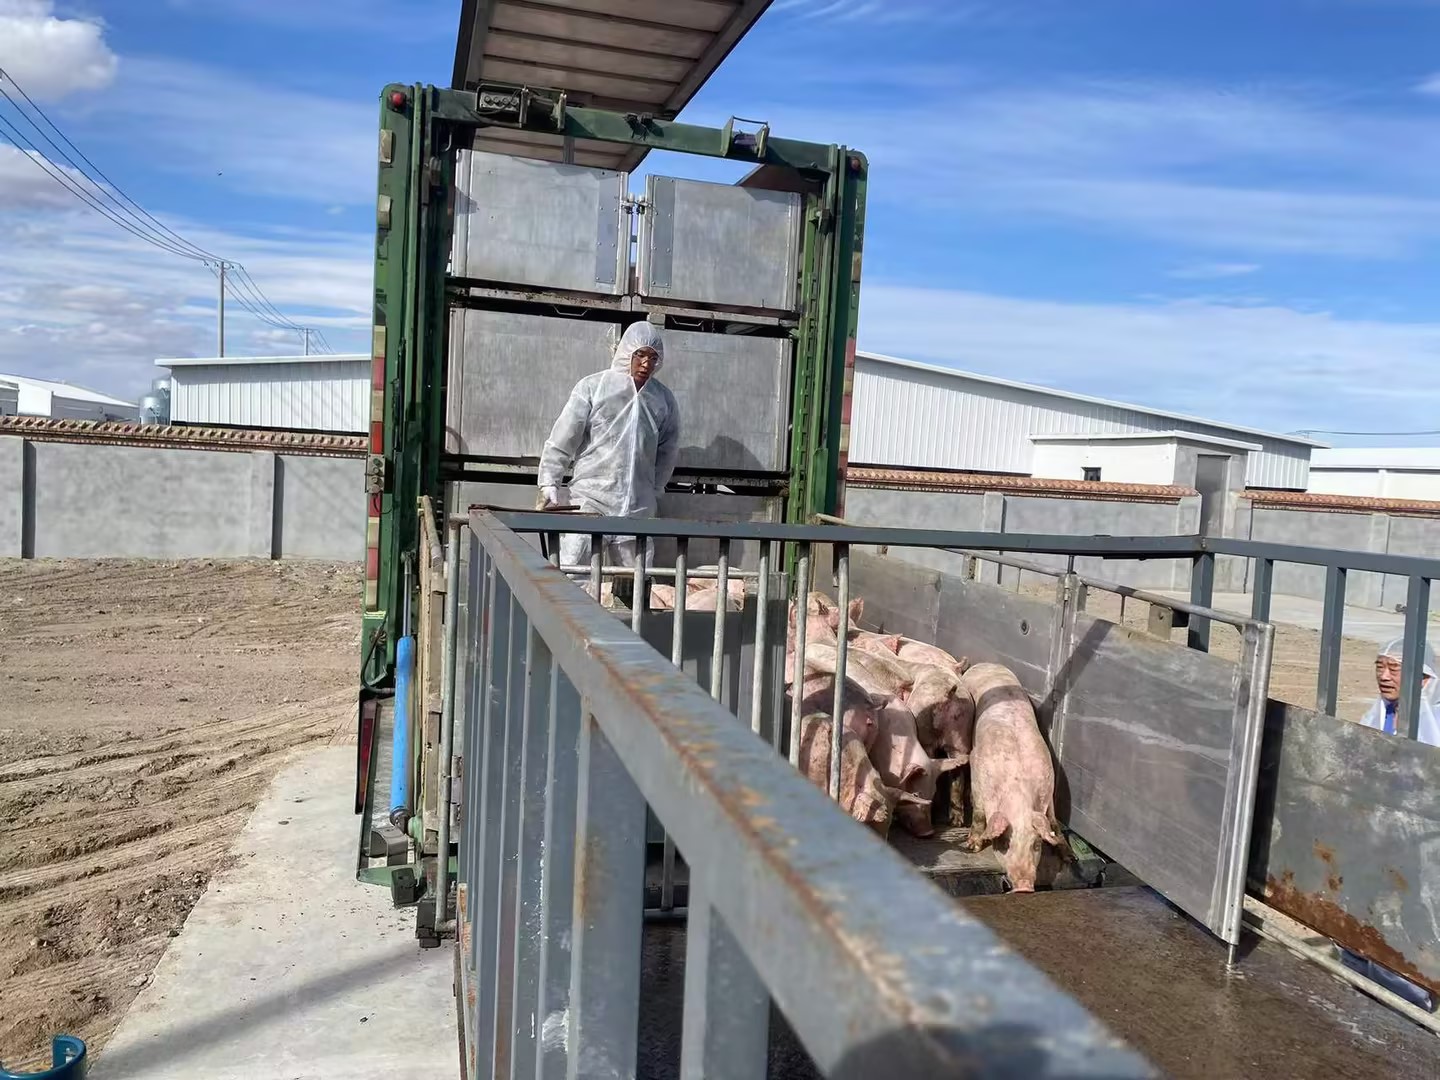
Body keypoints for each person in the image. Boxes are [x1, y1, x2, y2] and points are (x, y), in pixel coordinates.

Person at [537, 321, 680, 576]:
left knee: (636, 583)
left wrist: (653, 490)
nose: (646, 364)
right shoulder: (594, 387)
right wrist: (550, 481)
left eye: (653, 357)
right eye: (640, 354)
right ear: (627, 352)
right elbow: (564, 437)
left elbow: (668, 450)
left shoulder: (663, 399)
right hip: (591, 500)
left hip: (637, 507)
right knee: (573, 574)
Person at [1357, 637, 1439, 748]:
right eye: (1380, 667)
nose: (1384, 677)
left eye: (1393, 669)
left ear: (1423, 677)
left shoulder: (1435, 719)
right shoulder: (1381, 714)